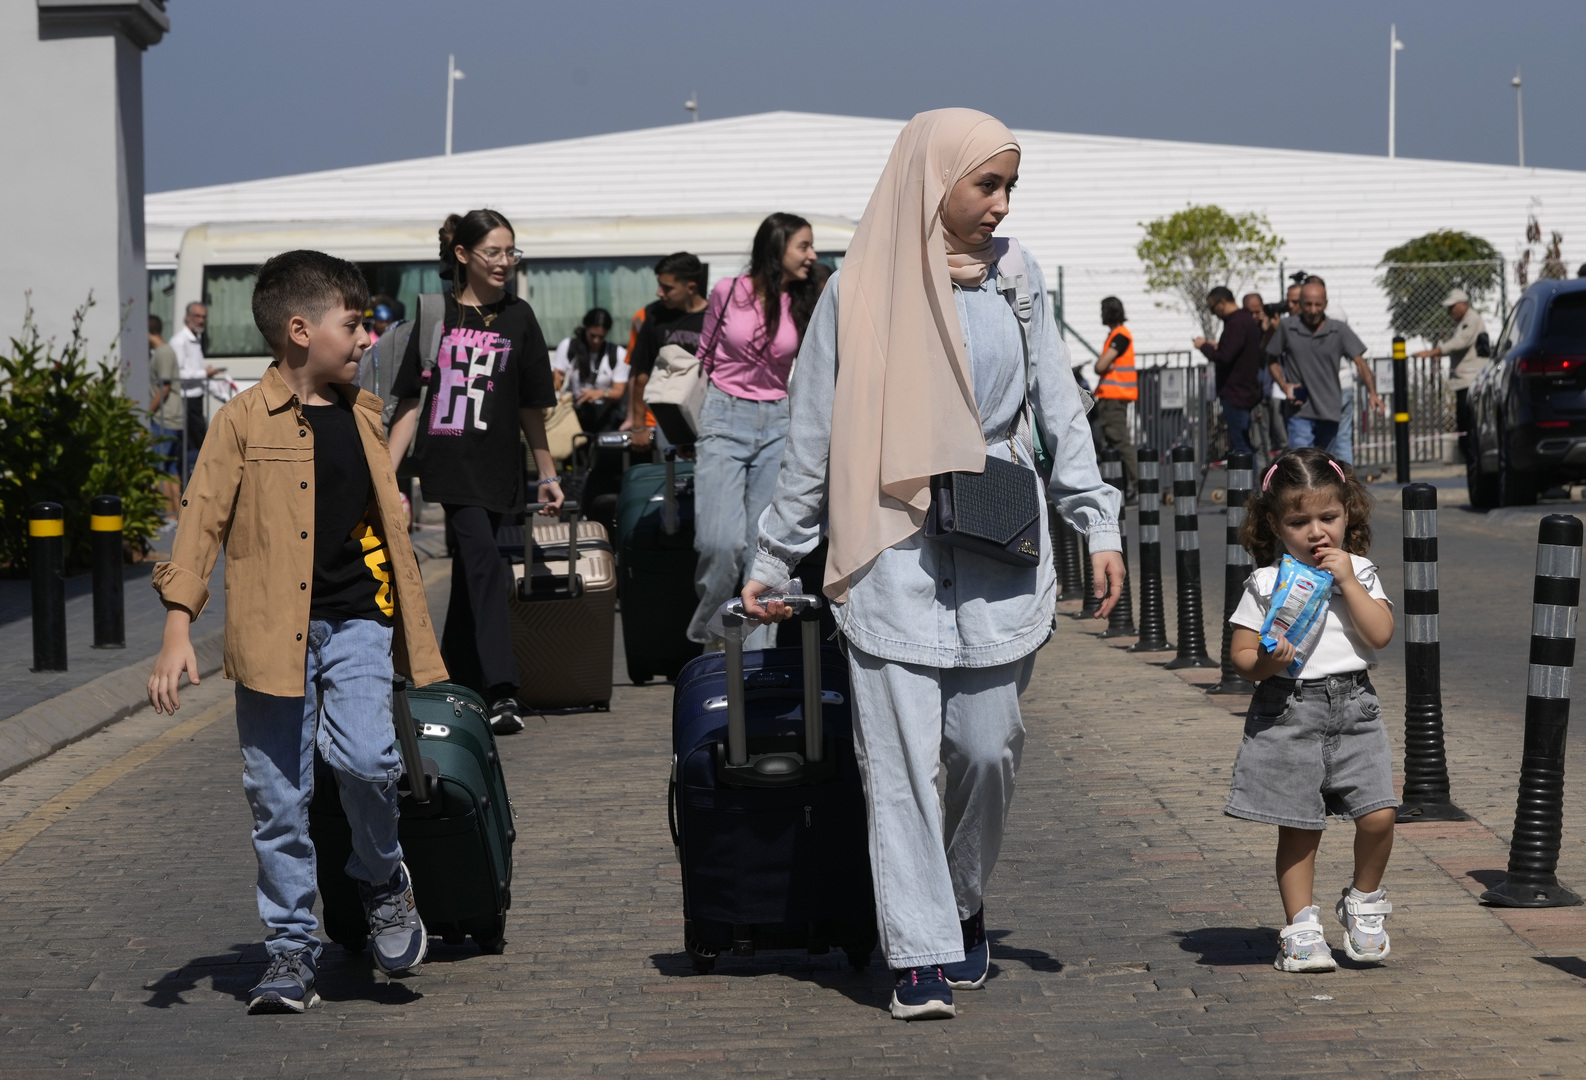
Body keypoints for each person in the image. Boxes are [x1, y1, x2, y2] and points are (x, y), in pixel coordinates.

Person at [741, 109, 1124, 1021]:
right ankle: (918, 951)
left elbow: (1057, 407)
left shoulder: (1018, 279)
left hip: (995, 534)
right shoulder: (856, 290)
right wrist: (775, 556)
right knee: (901, 764)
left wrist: (1096, 521)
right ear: (933, 180)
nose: (1001, 204)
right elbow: (811, 439)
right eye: (986, 184)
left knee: (989, 749)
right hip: (890, 544)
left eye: (1010, 187)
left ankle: (959, 897)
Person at [146, 249, 447, 1015]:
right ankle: (290, 947)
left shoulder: (365, 413)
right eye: (353, 324)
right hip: (269, 632)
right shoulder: (241, 421)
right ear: (300, 330)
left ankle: (384, 882)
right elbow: (200, 523)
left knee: (369, 759)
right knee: (277, 797)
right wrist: (178, 631)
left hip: (358, 620)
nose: (364, 337)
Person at [386, 210, 564, 736]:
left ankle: (450, 682)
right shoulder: (437, 315)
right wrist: (384, 475)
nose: (505, 262)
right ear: (463, 255)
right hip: (451, 466)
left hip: (500, 468)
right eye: (493, 252)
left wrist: (547, 473)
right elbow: (411, 403)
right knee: (486, 565)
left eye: (511, 252)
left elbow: (532, 406)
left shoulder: (520, 316)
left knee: (471, 575)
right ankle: (503, 689)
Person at [1227, 447, 1396, 973]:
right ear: (1275, 526)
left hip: (1355, 707)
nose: (1317, 533)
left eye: (1329, 517)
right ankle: (1300, 928)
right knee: (1300, 826)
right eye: (1299, 523)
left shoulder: (1360, 571)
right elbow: (1241, 656)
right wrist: (1266, 663)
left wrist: (1347, 581)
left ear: (1348, 515)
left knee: (1380, 812)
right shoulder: (1266, 582)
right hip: (1289, 708)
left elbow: (1380, 634)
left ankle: (1363, 901)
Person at [688, 213, 819, 649]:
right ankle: (712, 632)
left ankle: (753, 660)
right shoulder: (728, 290)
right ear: (776, 247)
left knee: (763, 551)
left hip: (779, 420)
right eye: (803, 246)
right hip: (723, 415)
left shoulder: (804, 300)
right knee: (719, 544)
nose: (812, 255)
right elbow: (705, 355)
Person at [1266, 279, 1381, 460]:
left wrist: (1372, 393)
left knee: (1325, 464)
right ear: (1300, 304)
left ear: (1326, 304)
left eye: (1318, 305)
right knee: (1302, 462)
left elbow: (1360, 363)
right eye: (1308, 304)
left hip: (1329, 409)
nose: (1313, 310)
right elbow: (1271, 359)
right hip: (1299, 410)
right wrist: (1284, 385)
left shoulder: (1339, 330)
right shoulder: (1287, 327)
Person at [626, 253, 709, 451]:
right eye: (659, 285)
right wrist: (639, 425)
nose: (659, 293)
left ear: (691, 287)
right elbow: (641, 373)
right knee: (673, 469)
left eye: (667, 288)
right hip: (667, 420)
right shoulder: (655, 317)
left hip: (708, 417)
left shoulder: (713, 318)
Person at [1412, 288, 1487, 464]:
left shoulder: (1471, 320)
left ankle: (1474, 461)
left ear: (1463, 304)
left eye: (1453, 307)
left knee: (1469, 425)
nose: (1450, 311)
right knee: (1464, 426)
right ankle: (1471, 460)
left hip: (1470, 383)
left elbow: (1460, 342)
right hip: (1463, 383)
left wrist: (1433, 352)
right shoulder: (1463, 322)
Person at [1195, 286, 1265, 457]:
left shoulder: (1237, 323)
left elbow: (1224, 357)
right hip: (1243, 390)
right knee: (1241, 443)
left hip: (1236, 392)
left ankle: (1247, 475)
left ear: (1222, 302)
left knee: (1241, 446)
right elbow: (1234, 350)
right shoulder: (1243, 320)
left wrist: (1203, 346)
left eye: (1213, 307)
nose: (1213, 313)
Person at [553, 307, 629, 433]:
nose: (596, 341)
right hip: (573, 411)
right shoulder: (568, 347)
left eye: (601, 337)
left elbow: (618, 392)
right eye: (592, 335)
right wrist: (556, 379)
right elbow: (556, 386)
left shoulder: (618, 354)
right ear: (586, 328)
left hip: (604, 415)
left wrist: (600, 394)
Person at [1092, 296, 1138, 496]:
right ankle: (1123, 488)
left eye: (1103, 310)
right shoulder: (1116, 335)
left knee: (1120, 442)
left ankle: (1140, 486)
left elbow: (1100, 366)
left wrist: (1103, 365)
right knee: (1112, 444)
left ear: (1110, 312)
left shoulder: (1120, 336)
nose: (1101, 314)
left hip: (1114, 398)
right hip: (1112, 398)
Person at [170, 302, 223, 467]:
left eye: (204, 317)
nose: (201, 320)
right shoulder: (179, 342)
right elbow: (177, 374)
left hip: (195, 402)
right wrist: (204, 373)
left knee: (197, 445)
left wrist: (225, 396)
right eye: (197, 316)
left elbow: (199, 374)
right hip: (185, 401)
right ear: (188, 317)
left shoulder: (195, 340)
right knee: (194, 447)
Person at [147, 314, 185, 508]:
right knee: (170, 468)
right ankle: (176, 514)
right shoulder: (164, 351)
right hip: (171, 417)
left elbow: (165, 387)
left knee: (159, 468)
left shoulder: (162, 353)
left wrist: (148, 412)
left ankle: (167, 513)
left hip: (165, 418)